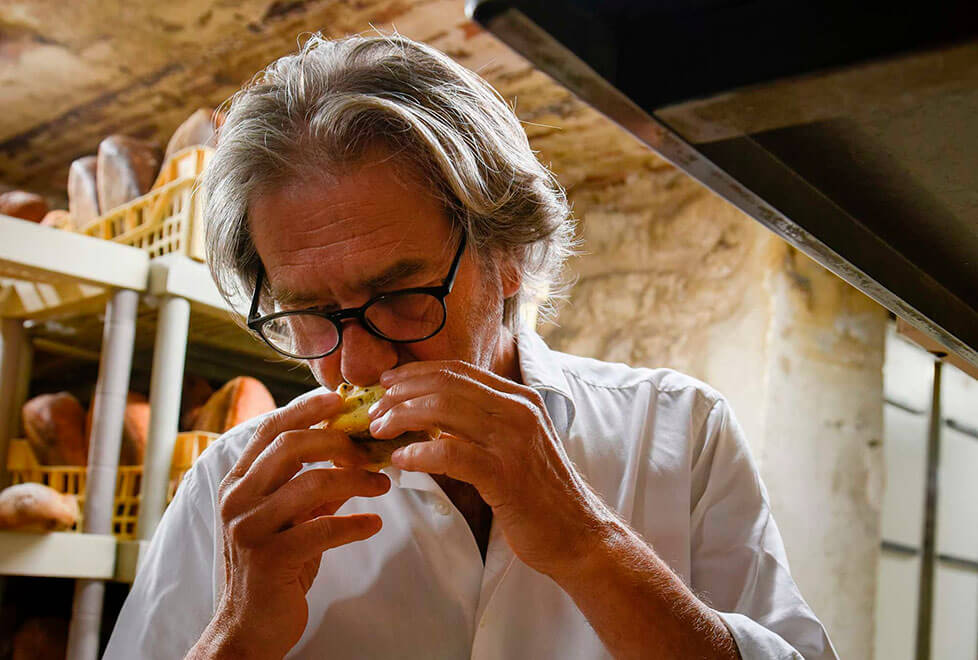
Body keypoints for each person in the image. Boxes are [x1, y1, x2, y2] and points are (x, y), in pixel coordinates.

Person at [105, 33, 837, 660]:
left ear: (509, 253)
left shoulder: (680, 432)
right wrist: (236, 634)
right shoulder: (231, 490)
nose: (357, 364)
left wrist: (590, 547)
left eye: (399, 295)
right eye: (312, 313)